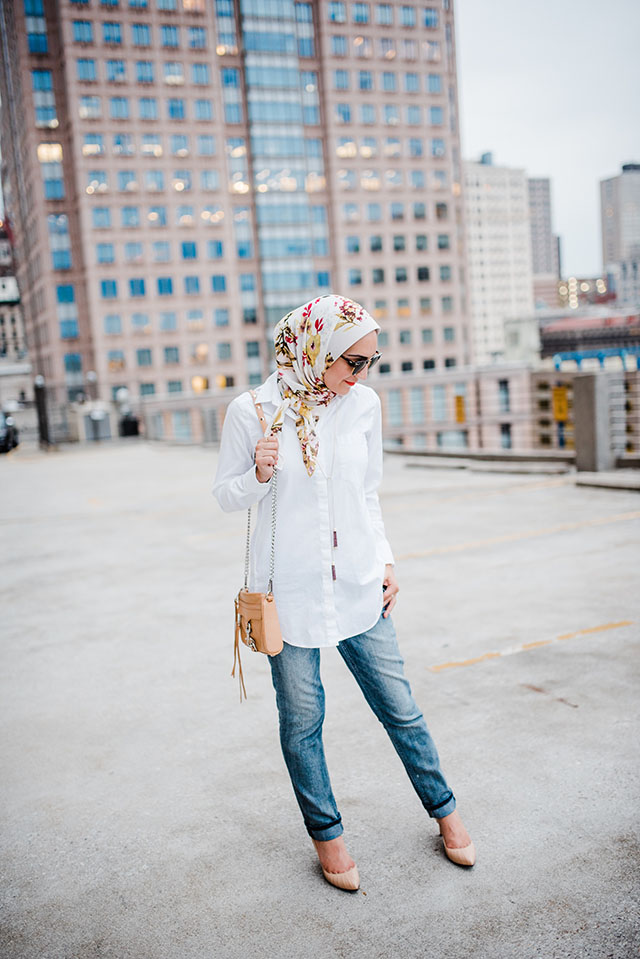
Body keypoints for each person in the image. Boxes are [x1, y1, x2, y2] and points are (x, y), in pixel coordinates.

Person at [213, 295, 475, 891]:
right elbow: (224, 496)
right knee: (303, 721)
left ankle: (446, 811)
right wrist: (256, 474)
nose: (361, 375)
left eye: (370, 362)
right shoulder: (252, 410)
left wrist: (385, 558)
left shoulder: (363, 406)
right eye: (352, 362)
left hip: (358, 585)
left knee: (401, 709)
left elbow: (368, 493)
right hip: (290, 595)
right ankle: (326, 835)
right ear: (317, 350)